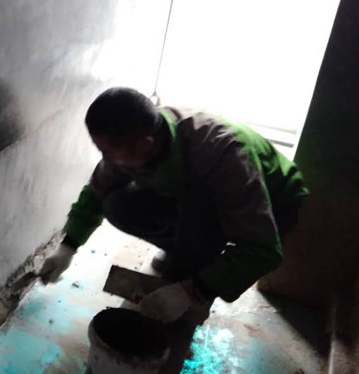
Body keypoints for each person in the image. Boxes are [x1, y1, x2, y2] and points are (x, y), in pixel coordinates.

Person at [38, 87, 308, 324]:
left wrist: (195, 290)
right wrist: (68, 246)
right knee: (117, 204)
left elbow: (262, 249)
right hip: (194, 194)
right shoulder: (141, 138)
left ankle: (194, 275)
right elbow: (98, 191)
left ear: (145, 145)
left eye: (108, 152)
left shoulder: (222, 156)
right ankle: (186, 259)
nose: (104, 158)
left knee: (197, 213)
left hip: (274, 205)